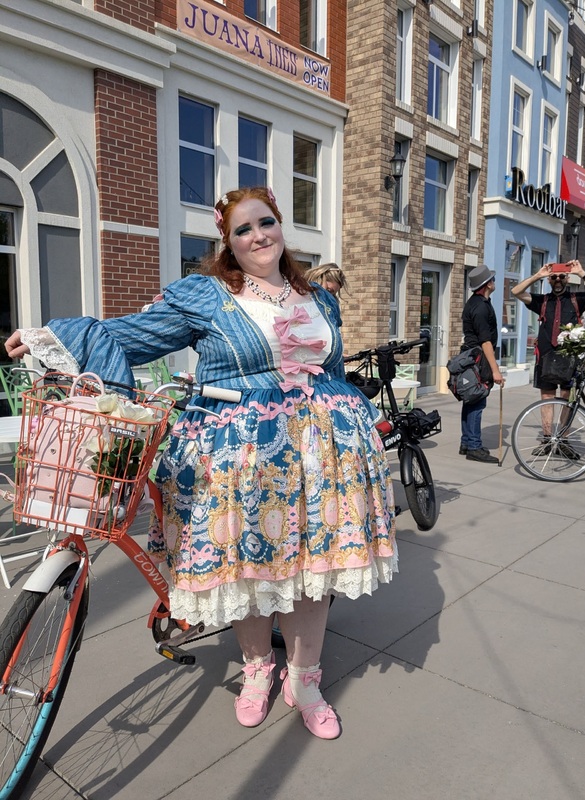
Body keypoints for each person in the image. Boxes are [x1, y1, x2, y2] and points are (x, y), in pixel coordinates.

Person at [5, 186, 396, 740]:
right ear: (228, 243)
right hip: (240, 458)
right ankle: (258, 671)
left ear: (280, 226)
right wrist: (47, 336)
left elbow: (330, 370)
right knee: (245, 568)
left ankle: (305, 681)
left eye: (265, 222)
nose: (258, 236)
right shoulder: (208, 296)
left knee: (315, 573)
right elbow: (130, 334)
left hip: (324, 457)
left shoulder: (318, 298)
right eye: (243, 230)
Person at [511, 259, 585, 458]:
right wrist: (538, 275)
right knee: (547, 398)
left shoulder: (577, 299)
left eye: (561, 276)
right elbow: (515, 291)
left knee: (567, 399)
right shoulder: (542, 301)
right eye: (554, 277)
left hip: (569, 358)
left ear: (567, 278)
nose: (558, 280)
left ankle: (563, 440)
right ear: (549, 280)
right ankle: (547, 440)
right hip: (546, 357)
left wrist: (582, 273)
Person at [460, 264, 505, 463]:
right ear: (487, 285)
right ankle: (473, 447)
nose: (494, 282)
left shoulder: (476, 303)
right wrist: (495, 370)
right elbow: (485, 341)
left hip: (473, 358)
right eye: (492, 279)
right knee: (477, 402)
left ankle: (467, 442)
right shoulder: (480, 308)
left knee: (471, 401)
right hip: (479, 360)